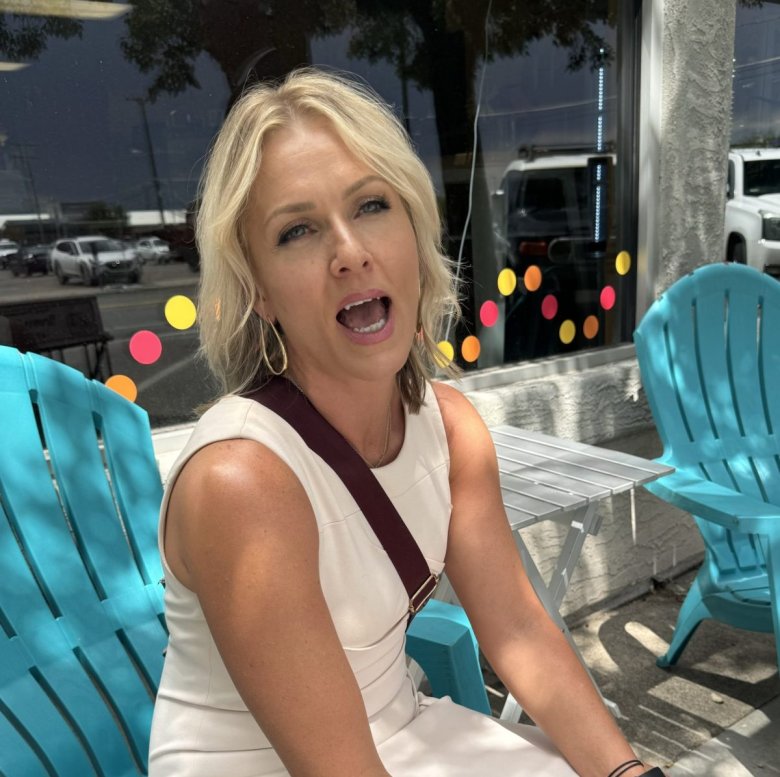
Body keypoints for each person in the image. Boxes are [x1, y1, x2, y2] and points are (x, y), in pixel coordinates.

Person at [148, 68, 661, 777]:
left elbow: (518, 631)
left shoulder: (449, 428)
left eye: (370, 205)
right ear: (259, 291)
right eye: (297, 230)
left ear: (414, 232)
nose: (349, 250)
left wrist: (629, 772)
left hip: (401, 732)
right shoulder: (243, 482)